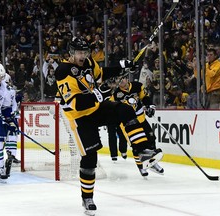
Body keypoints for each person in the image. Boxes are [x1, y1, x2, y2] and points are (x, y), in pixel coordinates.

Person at [55, 37, 163, 215]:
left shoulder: (89, 62)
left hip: (96, 109)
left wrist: (123, 66)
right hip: (79, 118)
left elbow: (102, 73)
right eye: (79, 53)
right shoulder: (63, 71)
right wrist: (98, 94)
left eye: (85, 52)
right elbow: (76, 103)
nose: (83, 56)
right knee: (90, 159)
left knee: (126, 110)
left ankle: (142, 151)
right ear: (71, 53)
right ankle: (87, 197)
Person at [111, 76, 164, 177]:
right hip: (128, 123)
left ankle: (152, 162)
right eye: (119, 80)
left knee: (151, 138)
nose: (121, 81)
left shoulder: (137, 86)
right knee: (137, 145)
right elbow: (112, 108)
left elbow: (145, 97)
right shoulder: (115, 94)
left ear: (127, 79)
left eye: (123, 79)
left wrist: (150, 106)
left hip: (141, 118)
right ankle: (141, 167)